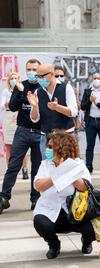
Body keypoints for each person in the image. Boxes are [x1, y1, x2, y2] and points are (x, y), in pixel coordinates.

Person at [33, 131, 95, 259]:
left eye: (51, 147)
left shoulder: (77, 164)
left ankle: (87, 241)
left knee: (92, 231)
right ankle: (54, 244)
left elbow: (85, 187)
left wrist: (67, 171)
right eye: (47, 146)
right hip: (50, 210)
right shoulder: (45, 164)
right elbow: (38, 186)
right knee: (40, 222)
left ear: (61, 148)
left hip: (75, 211)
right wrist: (57, 173)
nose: (47, 150)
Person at [0, 59, 42, 214]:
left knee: (37, 168)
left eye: (34, 69)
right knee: (13, 165)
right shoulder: (21, 84)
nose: (32, 72)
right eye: (29, 69)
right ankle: (4, 198)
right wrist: (20, 91)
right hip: (22, 131)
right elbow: (12, 106)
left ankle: (35, 198)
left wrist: (25, 95)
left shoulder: (42, 87)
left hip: (39, 133)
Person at [28, 63, 79, 159]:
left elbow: (73, 112)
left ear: (51, 74)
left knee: (67, 168)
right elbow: (34, 119)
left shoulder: (66, 88)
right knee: (48, 169)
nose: (38, 79)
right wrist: (34, 107)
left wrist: (57, 107)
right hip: (46, 139)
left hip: (66, 136)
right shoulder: (37, 92)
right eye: (37, 76)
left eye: (41, 76)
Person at [1, 71, 29, 179]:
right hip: (8, 118)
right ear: (9, 80)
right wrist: (7, 103)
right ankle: (10, 170)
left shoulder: (22, 89)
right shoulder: (5, 91)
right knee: (9, 146)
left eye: (15, 78)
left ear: (19, 79)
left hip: (19, 118)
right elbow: (2, 104)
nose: (13, 80)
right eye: (11, 78)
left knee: (23, 147)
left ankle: (25, 169)